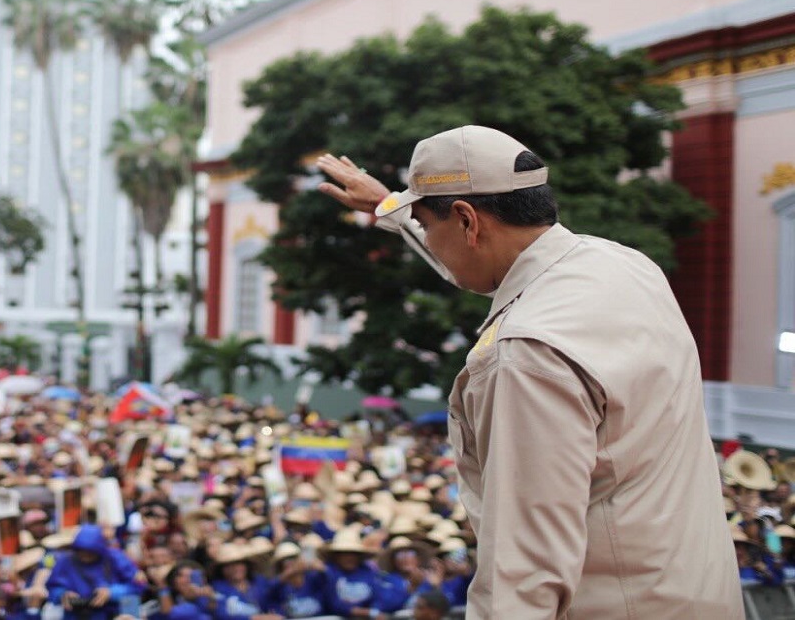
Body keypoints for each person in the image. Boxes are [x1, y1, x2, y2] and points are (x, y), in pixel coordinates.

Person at [317, 125, 743, 617]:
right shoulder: (624, 266)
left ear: (467, 220)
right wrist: (392, 207)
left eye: (426, 223)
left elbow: (525, 573)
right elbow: (496, 270)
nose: (429, 237)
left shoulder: (526, 354)